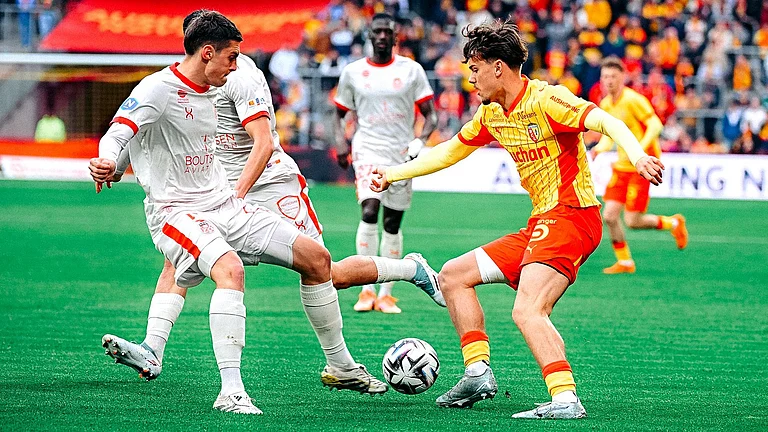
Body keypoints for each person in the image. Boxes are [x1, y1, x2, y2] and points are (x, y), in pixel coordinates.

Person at [96, 10, 445, 412]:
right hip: (202, 199)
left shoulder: (236, 74)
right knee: (197, 264)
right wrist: (114, 162)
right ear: (202, 50)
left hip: (267, 184)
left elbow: (262, 144)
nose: (238, 61)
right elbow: (132, 129)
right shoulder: (175, 85)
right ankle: (171, 359)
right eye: (231, 55)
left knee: (322, 267)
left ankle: (397, 286)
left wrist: (237, 199)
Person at [370, 19, 665, 419]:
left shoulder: (547, 99)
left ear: (498, 67)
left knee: (527, 309)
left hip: (573, 217)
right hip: (543, 221)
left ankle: (564, 399)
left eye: (474, 69)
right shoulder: (491, 114)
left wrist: (637, 155)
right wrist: (392, 173)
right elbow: (449, 152)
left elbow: (606, 122)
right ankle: (477, 373)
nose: (470, 79)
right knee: (454, 275)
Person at [334, 13, 438, 314]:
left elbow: (430, 114)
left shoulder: (412, 70)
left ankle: (386, 294)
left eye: (387, 32)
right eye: (377, 31)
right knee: (370, 210)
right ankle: (365, 290)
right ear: (369, 35)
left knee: (392, 223)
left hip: (401, 153)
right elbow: (338, 113)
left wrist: (421, 140)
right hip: (368, 149)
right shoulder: (353, 72)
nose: (381, 36)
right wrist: (342, 142)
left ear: (395, 38)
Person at [592, 56, 688, 274]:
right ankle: (625, 262)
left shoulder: (633, 99)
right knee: (609, 216)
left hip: (643, 165)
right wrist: (600, 148)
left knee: (633, 220)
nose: (608, 81)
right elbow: (610, 135)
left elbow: (655, 125)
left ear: (623, 78)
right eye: (605, 77)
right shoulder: (606, 103)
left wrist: (640, 151)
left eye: (613, 77)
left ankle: (673, 223)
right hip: (623, 165)